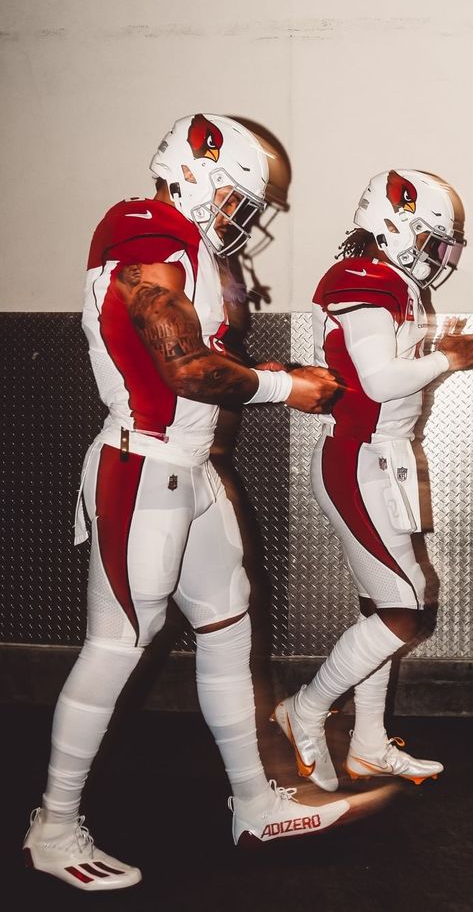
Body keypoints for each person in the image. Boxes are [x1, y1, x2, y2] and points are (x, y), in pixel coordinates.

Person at [22, 114, 349, 892]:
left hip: (189, 469)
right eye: (238, 198)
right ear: (197, 176)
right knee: (116, 647)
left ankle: (252, 799)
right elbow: (180, 368)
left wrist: (256, 370)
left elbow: (193, 358)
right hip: (143, 466)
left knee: (228, 622)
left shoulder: (182, 247)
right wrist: (283, 385)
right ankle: (54, 823)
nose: (246, 218)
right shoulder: (149, 241)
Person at [273, 169, 473, 791]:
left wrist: (441, 356)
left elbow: (384, 378)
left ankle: (369, 744)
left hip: (384, 458)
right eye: (432, 240)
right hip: (359, 458)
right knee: (405, 611)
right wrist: (446, 358)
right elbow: (377, 383)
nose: (437, 256)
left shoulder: (391, 283)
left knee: (385, 606)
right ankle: (306, 707)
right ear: (397, 226)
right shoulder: (366, 278)